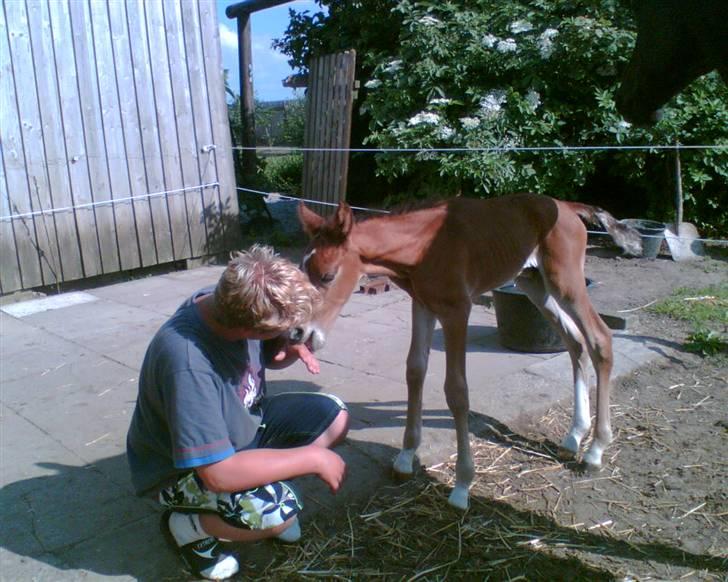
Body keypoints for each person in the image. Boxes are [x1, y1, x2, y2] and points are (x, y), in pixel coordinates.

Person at [126, 245, 349, 580]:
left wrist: (290, 348)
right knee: (277, 513)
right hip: (180, 470)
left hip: (242, 425)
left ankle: (258, 482)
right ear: (251, 328)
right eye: (278, 330)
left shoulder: (224, 302)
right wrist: (313, 459)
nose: (285, 334)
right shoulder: (188, 363)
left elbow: (268, 355)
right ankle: (187, 527)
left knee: (335, 416)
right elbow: (217, 474)